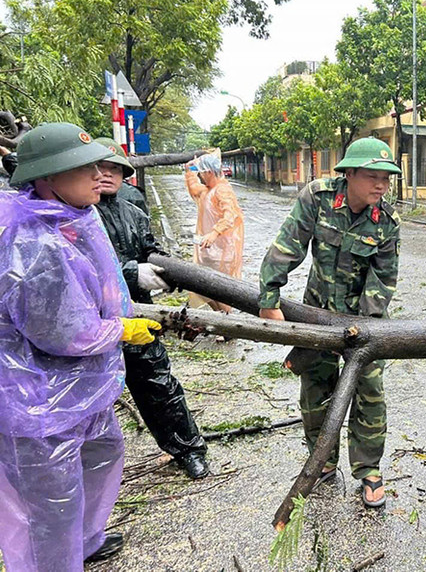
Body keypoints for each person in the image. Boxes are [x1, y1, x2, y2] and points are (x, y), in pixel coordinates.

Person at [0, 122, 161, 570]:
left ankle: (85, 542)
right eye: (82, 167)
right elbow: (60, 333)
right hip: (38, 400)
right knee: (50, 505)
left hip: (82, 389)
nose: (98, 174)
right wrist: (121, 331)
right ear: (47, 177)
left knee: (101, 456)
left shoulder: (76, 217)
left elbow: (103, 288)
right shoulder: (33, 243)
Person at [258, 137, 401, 508]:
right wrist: (269, 296)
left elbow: (383, 278)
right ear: (348, 173)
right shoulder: (318, 198)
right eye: (372, 176)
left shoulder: (386, 222)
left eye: (386, 178)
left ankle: (369, 469)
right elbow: (288, 244)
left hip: (365, 321)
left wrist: (362, 328)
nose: (381, 185)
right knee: (316, 388)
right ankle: (322, 460)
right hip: (317, 313)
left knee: (370, 393)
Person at [94, 137, 209, 479]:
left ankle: (188, 449)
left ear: (124, 174)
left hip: (139, 316)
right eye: (100, 167)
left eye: (115, 168)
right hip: (93, 323)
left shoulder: (134, 212)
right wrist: (132, 273)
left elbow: (150, 249)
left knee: (159, 386)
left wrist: (166, 271)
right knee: (92, 399)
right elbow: (82, 270)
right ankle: (95, 473)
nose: (106, 174)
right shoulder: (76, 215)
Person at [184, 152, 244, 312]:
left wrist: (214, 233)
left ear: (209, 172)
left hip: (222, 251)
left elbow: (230, 215)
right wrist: (189, 171)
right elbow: (194, 189)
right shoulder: (207, 190)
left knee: (219, 291)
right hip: (208, 249)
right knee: (203, 289)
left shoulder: (222, 190)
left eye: (202, 173)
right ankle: (221, 318)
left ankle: (227, 322)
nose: (200, 176)